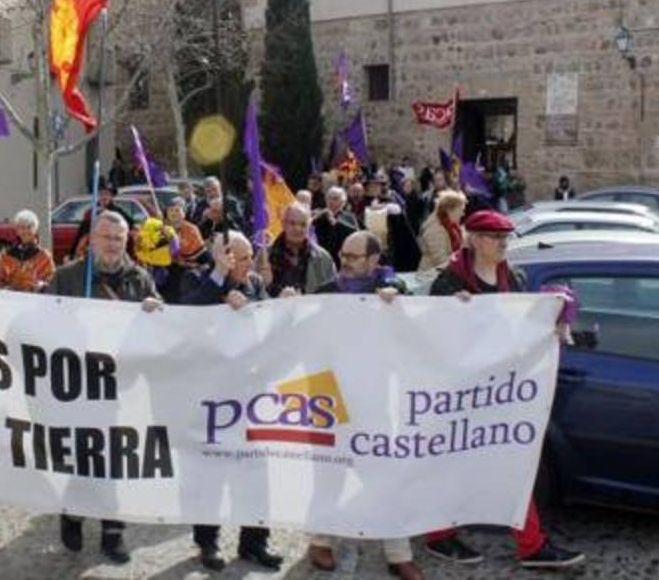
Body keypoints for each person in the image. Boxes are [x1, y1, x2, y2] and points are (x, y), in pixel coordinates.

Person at [424, 210, 585, 570]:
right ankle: (439, 536)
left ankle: (531, 545)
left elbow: (526, 322)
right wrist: (452, 313)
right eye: (496, 238)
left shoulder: (511, 276)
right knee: (450, 466)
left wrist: (556, 315)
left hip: (501, 391)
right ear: (475, 240)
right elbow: (429, 335)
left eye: (505, 238)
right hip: (460, 393)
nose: (503, 244)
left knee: (515, 462)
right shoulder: (448, 281)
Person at [304, 231, 423, 580]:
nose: (346, 260)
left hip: (374, 397)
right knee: (328, 474)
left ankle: (398, 554)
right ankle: (320, 540)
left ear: (374, 260)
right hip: (329, 397)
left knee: (385, 474)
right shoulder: (326, 294)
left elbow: (412, 306)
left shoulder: (388, 291)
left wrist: (396, 291)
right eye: (343, 254)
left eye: (354, 256)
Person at [49, 211, 163, 564]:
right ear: (92, 239)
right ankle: (72, 512)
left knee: (115, 459)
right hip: (78, 386)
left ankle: (113, 532)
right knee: (81, 457)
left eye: (119, 237)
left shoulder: (139, 279)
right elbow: (41, 323)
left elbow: (160, 326)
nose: (113, 244)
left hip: (120, 388)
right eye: (106, 236)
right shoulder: (67, 277)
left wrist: (154, 311)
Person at [180, 232, 284, 572]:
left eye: (250, 257)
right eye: (242, 258)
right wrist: (219, 280)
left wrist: (282, 304)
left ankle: (255, 542)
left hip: (251, 397)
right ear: (223, 257)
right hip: (211, 397)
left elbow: (269, 325)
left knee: (256, 470)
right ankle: (207, 543)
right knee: (209, 472)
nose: (250, 264)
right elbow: (189, 312)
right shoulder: (197, 278)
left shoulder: (254, 283)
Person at [266, 202, 336, 296]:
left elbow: (332, 292)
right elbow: (257, 293)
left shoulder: (323, 258)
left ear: (309, 227)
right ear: (283, 224)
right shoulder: (266, 255)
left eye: (303, 225)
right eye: (292, 223)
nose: (297, 229)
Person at [69, 179, 134, 260]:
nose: (104, 197)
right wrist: (70, 254)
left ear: (112, 196)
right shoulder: (91, 213)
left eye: (107, 194)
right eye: (102, 194)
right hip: (94, 254)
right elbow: (81, 234)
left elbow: (130, 227)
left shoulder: (119, 213)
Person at [0, 209, 55, 292]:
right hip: (12, 299)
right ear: (17, 231)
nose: (26, 231)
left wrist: (42, 285)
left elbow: (52, 281)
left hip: (35, 299)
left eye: (29, 227)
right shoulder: (7, 255)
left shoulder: (44, 256)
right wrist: (5, 287)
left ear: (35, 230)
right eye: (22, 227)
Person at [417, 190, 467, 272]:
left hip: (445, 275)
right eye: (461, 210)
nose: (463, 214)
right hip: (431, 277)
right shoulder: (434, 230)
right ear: (450, 210)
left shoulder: (453, 227)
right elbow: (441, 261)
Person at [312, 186, 359, 266]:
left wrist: (336, 223)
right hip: (321, 258)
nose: (331, 201)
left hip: (341, 259)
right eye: (329, 198)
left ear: (343, 202)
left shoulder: (348, 217)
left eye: (335, 199)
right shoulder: (319, 214)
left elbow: (355, 233)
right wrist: (319, 217)